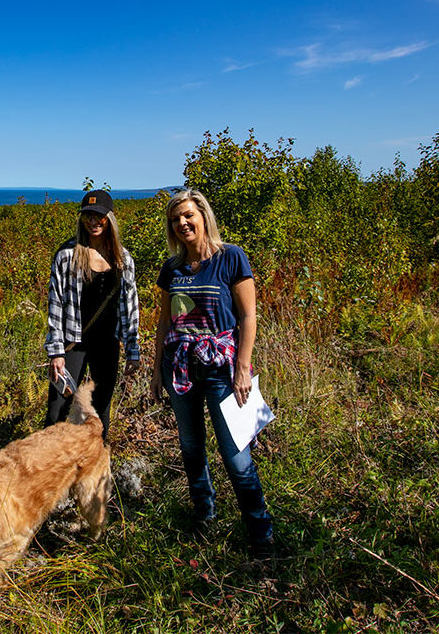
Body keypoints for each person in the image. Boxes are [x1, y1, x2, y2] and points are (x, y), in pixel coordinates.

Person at [151, 189, 273, 551]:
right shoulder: (172, 268)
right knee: (191, 446)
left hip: (223, 370)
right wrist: (158, 370)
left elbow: (248, 316)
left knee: (236, 456)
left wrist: (242, 369)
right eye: (175, 219)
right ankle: (205, 515)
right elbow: (164, 321)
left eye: (188, 215)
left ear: (203, 216)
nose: (182, 223)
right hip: (180, 368)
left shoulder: (231, 257)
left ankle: (260, 534)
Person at [45, 189, 140, 439]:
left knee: (101, 410)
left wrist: (133, 350)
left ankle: (95, 467)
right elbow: (55, 304)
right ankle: (48, 467)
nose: (93, 222)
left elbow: (131, 306)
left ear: (110, 219)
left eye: (99, 216)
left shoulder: (123, 259)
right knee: (58, 408)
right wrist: (56, 352)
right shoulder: (67, 255)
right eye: (87, 215)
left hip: (107, 343)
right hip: (72, 343)